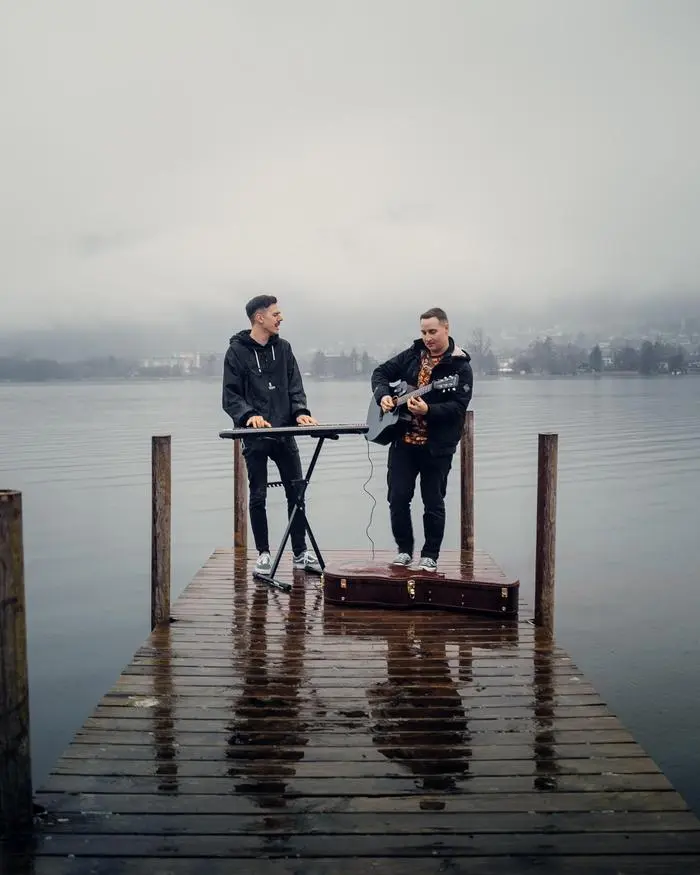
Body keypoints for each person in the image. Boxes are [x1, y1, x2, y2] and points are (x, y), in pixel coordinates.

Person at [222, 295, 321, 576]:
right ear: (259, 318)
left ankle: (300, 553)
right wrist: (247, 416)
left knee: (297, 492)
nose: (281, 318)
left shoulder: (284, 349)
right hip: (256, 437)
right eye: (276, 314)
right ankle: (264, 554)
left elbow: (295, 386)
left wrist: (300, 412)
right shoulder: (236, 352)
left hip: (284, 434)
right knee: (258, 495)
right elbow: (230, 395)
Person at [371, 307, 473, 571]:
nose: (427, 337)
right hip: (403, 442)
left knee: (433, 501)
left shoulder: (459, 367)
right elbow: (380, 373)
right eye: (423, 332)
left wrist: (429, 410)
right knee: (397, 497)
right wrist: (383, 395)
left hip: (436, 447)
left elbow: (458, 407)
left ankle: (430, 555)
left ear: (446, 329)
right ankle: (404, 550)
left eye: (432, 331)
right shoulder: (413, 355)